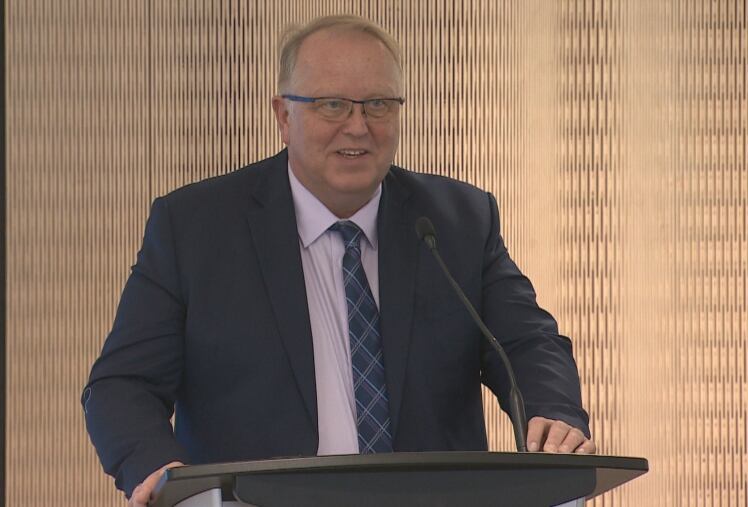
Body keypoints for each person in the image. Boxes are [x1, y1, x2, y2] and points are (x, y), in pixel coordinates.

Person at [82, 14, 596, 506]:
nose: (357, 127)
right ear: (284, 116)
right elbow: (122, 384)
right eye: (332, 105)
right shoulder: (196, 227)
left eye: (378, 104)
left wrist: (553, 413)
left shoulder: (456, 220)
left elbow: (527, 342)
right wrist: (157, 467)